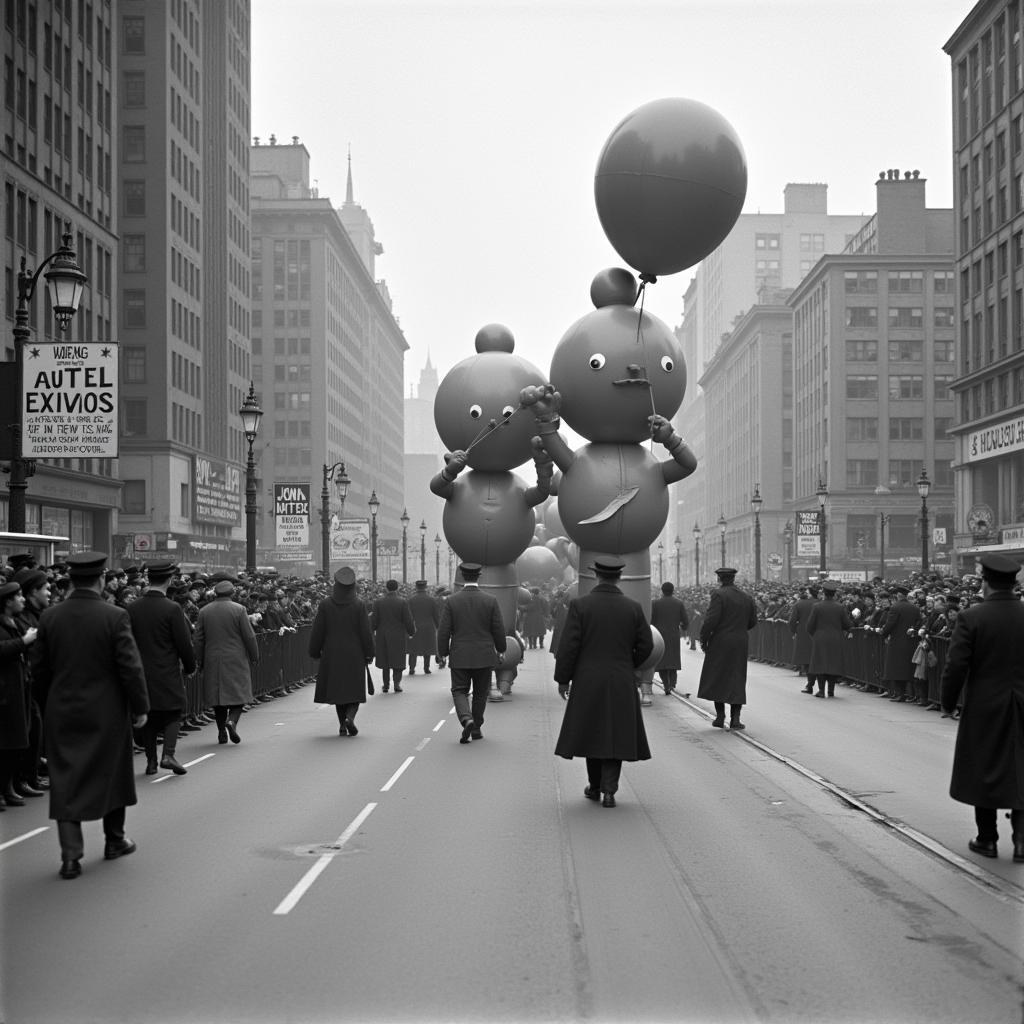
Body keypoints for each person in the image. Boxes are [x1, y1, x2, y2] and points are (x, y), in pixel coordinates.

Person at [30, 552, 149, 880]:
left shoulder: (50, 617)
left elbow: (38, 670)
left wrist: (47, 702)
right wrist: (139, 706)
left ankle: (70, 856)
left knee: (65, 779)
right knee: (112, 773)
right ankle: (114, 839)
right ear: (99, 580)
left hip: (62, 710)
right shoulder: (114, 616)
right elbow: (130, 667)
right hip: (106, 711)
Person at [940, 553, 1024, 863]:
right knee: (1021, 767)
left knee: (984, 769)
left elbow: (956, 666)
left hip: (985, 706)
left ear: (986, 584)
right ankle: (1022, 841)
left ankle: (987, 838)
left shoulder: (972, 617)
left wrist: (948, 703)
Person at [553, 559, 653, 807]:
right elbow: (646, 646)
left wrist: (563, 679)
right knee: (615, 732)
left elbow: (569, 647)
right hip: (620, 677)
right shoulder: (633, 607)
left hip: (588, 678)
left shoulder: (580, 605)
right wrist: (630, 663)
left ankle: (595, 785)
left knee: (592, 731)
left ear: (597, 577)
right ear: (618, 578)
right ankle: (610, 791)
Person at [127, 560, 197, 775]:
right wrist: (190, 666)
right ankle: (168, 754)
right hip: (166, 670)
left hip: (140, 671)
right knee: (174, 712)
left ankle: (150, 762)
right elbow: (183, 642)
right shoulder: (172, 608)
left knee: (149, 715)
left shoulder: (132, 607)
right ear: (169, 579)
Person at [436, 562, 506, 744]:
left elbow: (444, 630)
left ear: (463, 577)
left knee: (459, 690)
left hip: (460, 654)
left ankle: (466, 719)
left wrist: (442, 652)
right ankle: (476, 728)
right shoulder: (490, 600)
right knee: (481, 693)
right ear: (478, 577)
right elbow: (498, 628)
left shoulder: (452, 601)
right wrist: (502, 649)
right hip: (484, 655)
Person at [308, 567, 374, 736]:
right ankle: (350, 717)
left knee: (339, 692)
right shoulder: (359, 605)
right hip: (355, 653)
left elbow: (318, 631)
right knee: (354, 691)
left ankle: (342, 725)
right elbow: (366, 632)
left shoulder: (325, 604)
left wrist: (314, 651)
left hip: (332, 654)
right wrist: (369, 652)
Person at [194, 580, 259, 745]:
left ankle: (221, 731)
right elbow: (249, 636)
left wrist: (199, 660)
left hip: (212, 659)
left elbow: (199, 639)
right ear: (232, 593)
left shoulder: (204, 611)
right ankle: (232, 722)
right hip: (235, 658)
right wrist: (254, 655)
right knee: (240, 695)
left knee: (218, 698)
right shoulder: (239, 609)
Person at [697, 567, 758, 730]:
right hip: (740, 642)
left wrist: (704, 638)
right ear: (733, 579)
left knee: (719, 676)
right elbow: (753, 621)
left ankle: (720, 716)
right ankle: (735, 719)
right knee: (737, 677)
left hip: (720, 641)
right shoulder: (746, 597)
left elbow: (711, 620)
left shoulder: (718, 595)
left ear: (719, 579)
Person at [0, 581, 34, 809]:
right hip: (4, 692)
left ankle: (9, 785)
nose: (22, 600)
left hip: (20, 688)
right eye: (18, 596)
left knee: (18, 742)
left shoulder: (17, 622)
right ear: (7, 601)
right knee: (5, 743)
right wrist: (24, 641)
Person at [805, 579, 854, 698]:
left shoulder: (817, 606)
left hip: (820, 638)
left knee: (820, 664)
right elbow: (847, 624)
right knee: (833, 664)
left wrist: (814, 635)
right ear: (834, 593)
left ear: (824, 592)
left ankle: (821, 690)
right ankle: (831, 691)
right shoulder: (840, 607)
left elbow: (809, 626)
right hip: (836, 638)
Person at [370, 580, 416, 693]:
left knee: (385, 661)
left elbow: (374, 621)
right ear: (397, 588)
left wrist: (372, 632)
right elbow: (408, 620)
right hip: (398, 635)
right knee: (398, 660)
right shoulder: (402, 602)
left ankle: (385, 685)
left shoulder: (378, 602)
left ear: (386, 588)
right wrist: (411, 632)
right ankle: (397, 684)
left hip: (383, 635)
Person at [879, 583, 922, 702]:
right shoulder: (914, 608)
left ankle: (901, 693)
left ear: (898, 595)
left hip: (897, 642)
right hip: (911, 641)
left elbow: (890, 624)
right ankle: (913, 695)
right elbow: (919, 623)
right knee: (908, 669)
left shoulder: (895, 607)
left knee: (897, 669)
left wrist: (884, 634)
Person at [650, 581, 689, 695]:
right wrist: (682, 627)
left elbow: (651, 621)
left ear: (662, 591)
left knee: (662, 661)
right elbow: (685, 621)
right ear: (673, 591)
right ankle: (672, 684)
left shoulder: (655, 603)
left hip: (660, 636)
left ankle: (666, 685)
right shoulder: (679, 603)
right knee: (673, 660)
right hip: (673, 635)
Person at [788, 586, 818, 693]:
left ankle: (810, 684)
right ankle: (824, 687)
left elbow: (792, 621)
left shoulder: (800, 604)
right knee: (819, 659)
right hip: (818, 634)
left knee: (807, 661)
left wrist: (794, 632)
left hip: (803, 634)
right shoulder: (820, 603)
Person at [407, 580, 440, 675]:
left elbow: (408, 616)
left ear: (416, 587)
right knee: (427, 647)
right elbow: (436, 615)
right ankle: (426, 668)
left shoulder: (411, 600)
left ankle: (412, 668)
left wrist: (408, 628)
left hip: (415, 626)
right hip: (429, 627)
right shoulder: (431, 600)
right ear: (426, 587)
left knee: (413, 649)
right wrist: (438, 627)